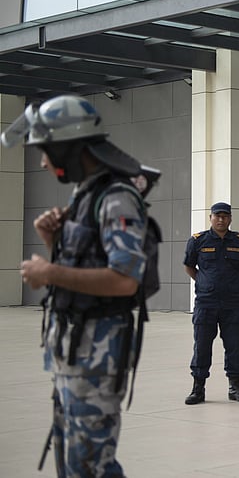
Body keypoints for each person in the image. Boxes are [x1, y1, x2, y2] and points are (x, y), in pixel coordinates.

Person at [3, 95, 149, 476]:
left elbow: (124, 279)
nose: (42, 161)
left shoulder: (116, 198)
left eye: (46, 151)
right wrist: (52, 242)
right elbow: (84, 269)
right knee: (72, 462)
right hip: (75, 354)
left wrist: (48, 273)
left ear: (67, 147)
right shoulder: (85, 194)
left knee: (91, 466)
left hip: (97, 360)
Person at [183, 202, 239, 404]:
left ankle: (235, 387)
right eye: (217, 216)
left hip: (231, 302)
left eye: (225, 216)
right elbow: (189, 266)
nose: (221, 219)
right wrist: (205, 282)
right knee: (202, 345)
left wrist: (227, 284)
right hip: (206, 301)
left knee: (233, 345)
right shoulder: (198, 240)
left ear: (230, 218)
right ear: (210, 218)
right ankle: (198, 388)